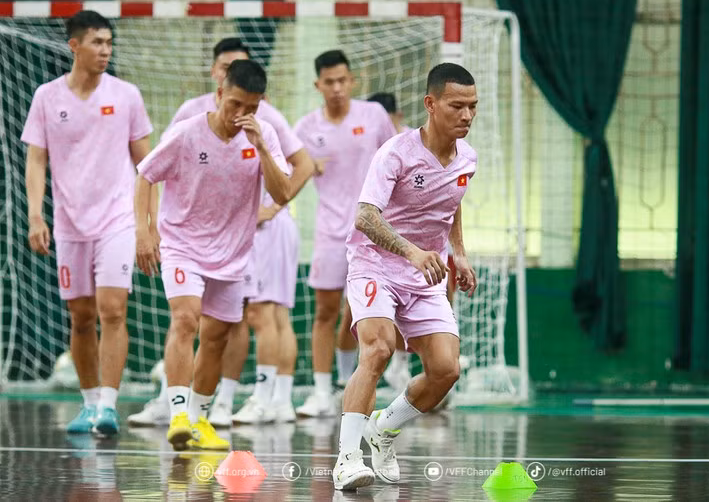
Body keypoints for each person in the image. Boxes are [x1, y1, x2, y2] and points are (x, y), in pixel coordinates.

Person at [127, 37, 314, 428]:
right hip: (182, 245)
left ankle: (199, 420)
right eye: (235, 105)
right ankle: (178, 414)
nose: (240, 114)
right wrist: (144, 234)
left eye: (251, 107)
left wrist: (262, 146)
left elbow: (282, 193)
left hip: (233, 253)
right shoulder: (186, 131)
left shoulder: (264, 136)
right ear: (218, 94)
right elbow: (145, 174)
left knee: (217, 337)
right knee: (186, 319)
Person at [332, 63, 478, 490]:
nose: (467, 115)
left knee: (446, 370)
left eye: (473, 107)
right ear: (431, 104)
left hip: (425, 274)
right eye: (457, 106)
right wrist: (412, 251)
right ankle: (346, 459)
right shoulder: (395, 152)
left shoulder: (467, 157)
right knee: (376, 351)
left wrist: (460, 254)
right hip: (375, 264)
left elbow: (452, 202)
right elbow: (365, 218)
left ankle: (383, 429)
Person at [22, 10, 155, 436]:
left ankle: (109, 407)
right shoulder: (47, 96)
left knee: (112, 310)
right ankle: (89, 402)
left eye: (109, 43)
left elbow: (147, 165)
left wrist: (149, 223)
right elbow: (36, 159)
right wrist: (35, 214)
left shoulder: (127, 94)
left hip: (116, 220)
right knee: (80, 317)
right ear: (74, 46)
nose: (105, 50)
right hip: (67, 224)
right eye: (97, 42)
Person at [293, 50, 396, 417]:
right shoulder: (305, 128)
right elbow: (286, 172)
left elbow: (397, 159)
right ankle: (323, 391)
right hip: (329, 232)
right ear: (318, 85)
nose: (336, 88)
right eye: (329, 82)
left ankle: (357, 382)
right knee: (325, 311)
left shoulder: (375, 116)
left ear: (352, 81)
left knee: (361, 313)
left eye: (342, 80)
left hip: (374, 232)